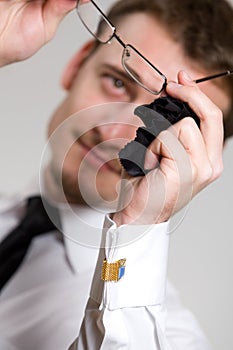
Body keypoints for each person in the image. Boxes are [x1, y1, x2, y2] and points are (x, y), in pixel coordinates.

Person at [0, 0, 232, 349]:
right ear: (77, 65)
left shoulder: (173, 339)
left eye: (163, 123)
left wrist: (139, 221)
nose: (113, 134)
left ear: (199, 156)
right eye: (118, 83)